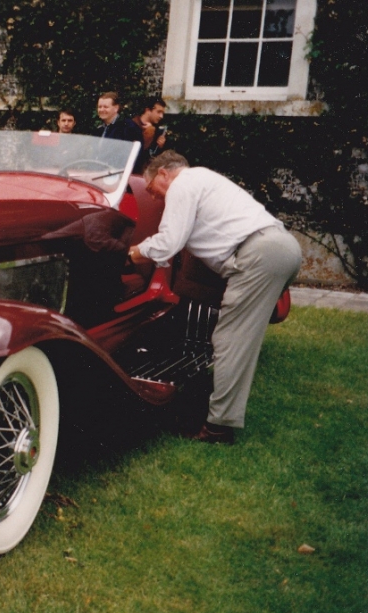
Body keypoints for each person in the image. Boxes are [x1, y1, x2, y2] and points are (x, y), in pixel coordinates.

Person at [129, 151, 301, 444]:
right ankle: (218, 418)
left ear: (163, 174)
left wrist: (132, 252)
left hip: (260, 253)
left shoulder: (182, 184)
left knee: (232, 340)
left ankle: (218, 428)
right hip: (277, 247)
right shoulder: (203, 179)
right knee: (239, 338)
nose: (153, 196)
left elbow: (169, 242)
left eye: (151, 189)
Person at [132, 96, 168, 173]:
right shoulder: (131, 126)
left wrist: (160, 146)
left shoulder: (157, 130)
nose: (161, 116)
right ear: (148, 110)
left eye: (162, 113)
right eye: (158, 112)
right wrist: (148, 134)